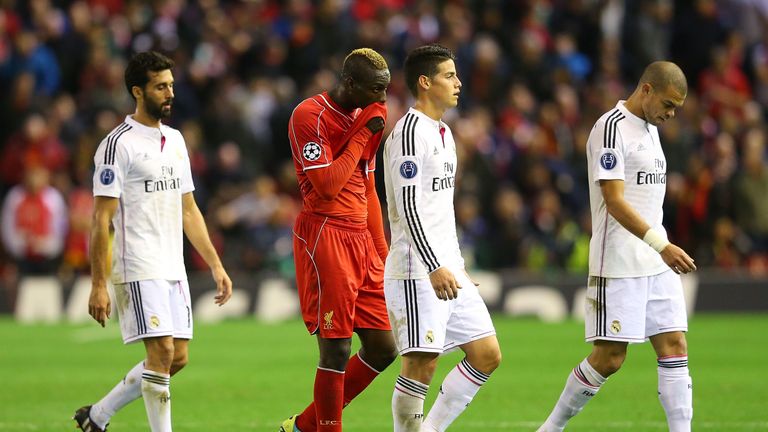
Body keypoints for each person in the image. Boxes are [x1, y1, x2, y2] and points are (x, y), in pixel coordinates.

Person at [73, 51, 232, 432]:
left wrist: (215, 264)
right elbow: (100, 218)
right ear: (138, 92)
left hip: (172, 265)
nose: (170, 93)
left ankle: (97, 415)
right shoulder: (117, 145)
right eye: (161, 87)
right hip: (137, 263)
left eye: (171, 85)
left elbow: (189, 210)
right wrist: (98, 284)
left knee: (177, 358)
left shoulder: (175, 140)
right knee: (161, 352)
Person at [537, 61, 696, 432]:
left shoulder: (652, 128)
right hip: (620, 261)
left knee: (675, 345)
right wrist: (662, 245)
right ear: (646, 89)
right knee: (609, 357)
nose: (671, 114)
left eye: (676, 108)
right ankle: (551, 428)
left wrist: (660, 248)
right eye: (668, 105)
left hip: (657, 261)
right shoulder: (610, 128)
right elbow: (615, 201)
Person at [382, 43, 501, 432]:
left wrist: (456, 265)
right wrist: (434, 265)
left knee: (486, 353)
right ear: (424, 82)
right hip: (417, 268)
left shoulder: (445, 133)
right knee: (422, 362)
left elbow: (440, 209)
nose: (458, 83)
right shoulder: (409, 134)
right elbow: (408, 207)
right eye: (449, 76)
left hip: (447, 266)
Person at [280, 48, 397, 432]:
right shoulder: (309, 115)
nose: (382, 98)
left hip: (361, 240)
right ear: (350, 83)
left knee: (383, 348)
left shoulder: (366, 115)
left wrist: (382, 254)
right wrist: (363, 132)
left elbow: (367, 187)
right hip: (326, 236)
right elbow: (327, 185)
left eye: (386, 89)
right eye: (376, 89)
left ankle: (303, 426)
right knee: (336, 349)